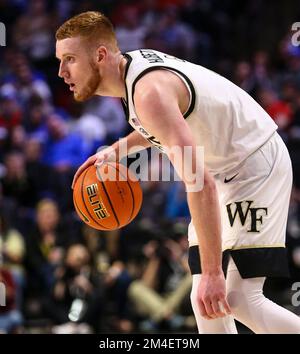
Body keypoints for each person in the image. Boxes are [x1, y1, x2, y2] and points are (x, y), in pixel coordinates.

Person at [55, 11, 300, 333]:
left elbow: (199, 183)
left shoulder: (147, 92)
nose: (61, 72)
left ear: (100, 55)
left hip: (252, 164)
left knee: (238, 298)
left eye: (70, 59)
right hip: (222, 169)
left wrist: (214, 271)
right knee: (206, 303)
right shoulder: (130, 75)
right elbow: (167, 122)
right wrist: (118, 149)